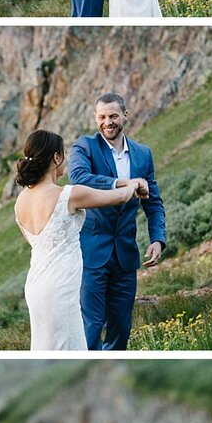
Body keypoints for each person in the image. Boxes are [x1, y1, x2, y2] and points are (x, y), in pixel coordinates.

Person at [13, 130, 151, 353]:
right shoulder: (68, 194)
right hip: (61, 287)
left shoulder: (21, 201)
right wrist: (136, 184)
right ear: (56, 158)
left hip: (36, 285)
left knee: (46, 347)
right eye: (63, 155)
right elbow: (118, 197)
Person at [68, 91, 166, 352]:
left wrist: (158, 239)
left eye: (112, 116)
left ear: (125, 115)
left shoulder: (143, 154)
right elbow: (78, 177)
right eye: (101, 117)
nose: (107, 122)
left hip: (125, 255)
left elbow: (154, 202)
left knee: (121, 326)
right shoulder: (85, 146)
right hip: (92, 253)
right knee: (91, 324)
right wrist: (122, 183)